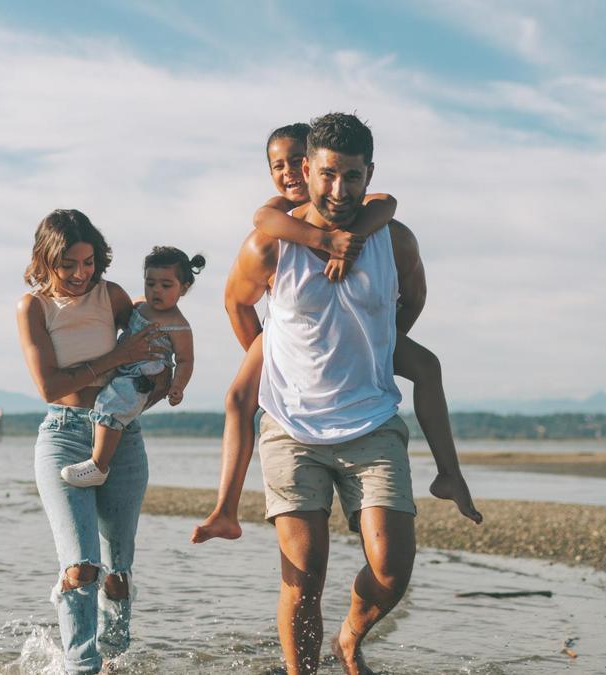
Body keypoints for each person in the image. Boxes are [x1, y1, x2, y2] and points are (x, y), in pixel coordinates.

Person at [216, 112, 439, 675]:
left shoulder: (386, 231)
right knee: (304, 574)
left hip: (370, 419)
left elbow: (412, 293)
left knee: (392, 569)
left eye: (351, 176)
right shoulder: (270, 240)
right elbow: (236, 301)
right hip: (291, 426)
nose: (335, 188)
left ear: (367, 175)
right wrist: (271, 352)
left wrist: (378, 343)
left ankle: (349, 639)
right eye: (320, 173)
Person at [192, 122, 481, 547]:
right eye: (279, 166)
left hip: (360, 337)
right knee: (239, 398)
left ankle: (449, 472)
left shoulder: (373, 216)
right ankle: (225, 509)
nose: (290, 173)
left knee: (426, 366)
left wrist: (377, 343)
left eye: (296, 162)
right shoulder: (276, 216)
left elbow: (387, 204)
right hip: (288, 337)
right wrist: (324, 244)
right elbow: (257, 232)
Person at [16, 209, 169, 673]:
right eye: (69, 265)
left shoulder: (112, 295)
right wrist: (116, 357)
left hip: (121, 437)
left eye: (88, 263)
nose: (81, 274)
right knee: (82, 567)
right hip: (62, 435)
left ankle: (115, 661)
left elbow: (155, 348)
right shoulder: (33, 308)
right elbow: (50, 386)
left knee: (117, 573)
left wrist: (150, 390)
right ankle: (80, 665)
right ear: (46, 260)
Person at [61, 246, 204, 487]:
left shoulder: (179, 325)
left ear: (184, 288)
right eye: (150, 283)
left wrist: (178, 386)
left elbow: (185, 360)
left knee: (111, 406)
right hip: (122, 366)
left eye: (166, 285)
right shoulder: (138, 306)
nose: (156, 290)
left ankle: (99, 465)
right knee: (103, 400)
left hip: (143, 377)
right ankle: (95, 451)